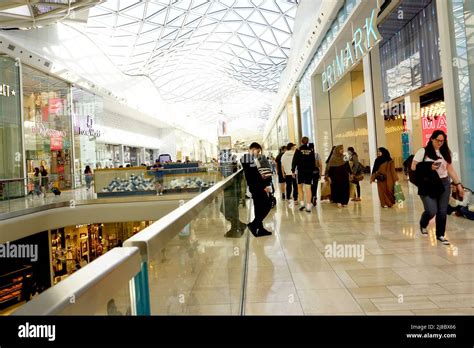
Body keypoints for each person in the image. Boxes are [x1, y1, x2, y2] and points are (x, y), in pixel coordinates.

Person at [411, 130, 464, 245]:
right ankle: (423, 222)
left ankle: (440, 235)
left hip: (444, 183)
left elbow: (450, 169)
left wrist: (458, 184)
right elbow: (413, 167)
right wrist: (429, 167)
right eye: (437, 140)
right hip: (427, 184)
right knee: (431, 210)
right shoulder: (423, 151)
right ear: (432, 139)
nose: (440, 143)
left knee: (442, 210)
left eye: (442, 141)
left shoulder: (445, 152)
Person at [241, 142, 272, 237]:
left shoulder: (250, 159)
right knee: (267, 204)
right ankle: (254, 225)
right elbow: (254, 175)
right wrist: (264, 186)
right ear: (253, 149)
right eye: (257, 151)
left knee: (259, 207)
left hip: (256, 186)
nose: (258, 153)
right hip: (257, 187)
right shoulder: (246, 158)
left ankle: (259, 227)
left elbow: (254, 173)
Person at [291, 136, 316, 212]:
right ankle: (308, 206)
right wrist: (312, 170)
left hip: (301, 171)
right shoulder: (311, 150)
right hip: (309, 171)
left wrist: (293, 171)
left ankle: (302, 204)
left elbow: (294, 161)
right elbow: (313, 162)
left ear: (301, 141)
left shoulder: (298, 150)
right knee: (308, 188)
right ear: (307, 142)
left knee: (299, 187)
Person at [281, 143, 298, 207]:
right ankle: (295, 199)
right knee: (295, 186)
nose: (294, 147)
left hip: (287, 173)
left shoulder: (284, 155)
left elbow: (282, 165)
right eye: (293, 146)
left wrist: (283, 173)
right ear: (291, 147)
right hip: (295, 172)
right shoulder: (295, 153)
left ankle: (288, 198)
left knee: (288, 186)